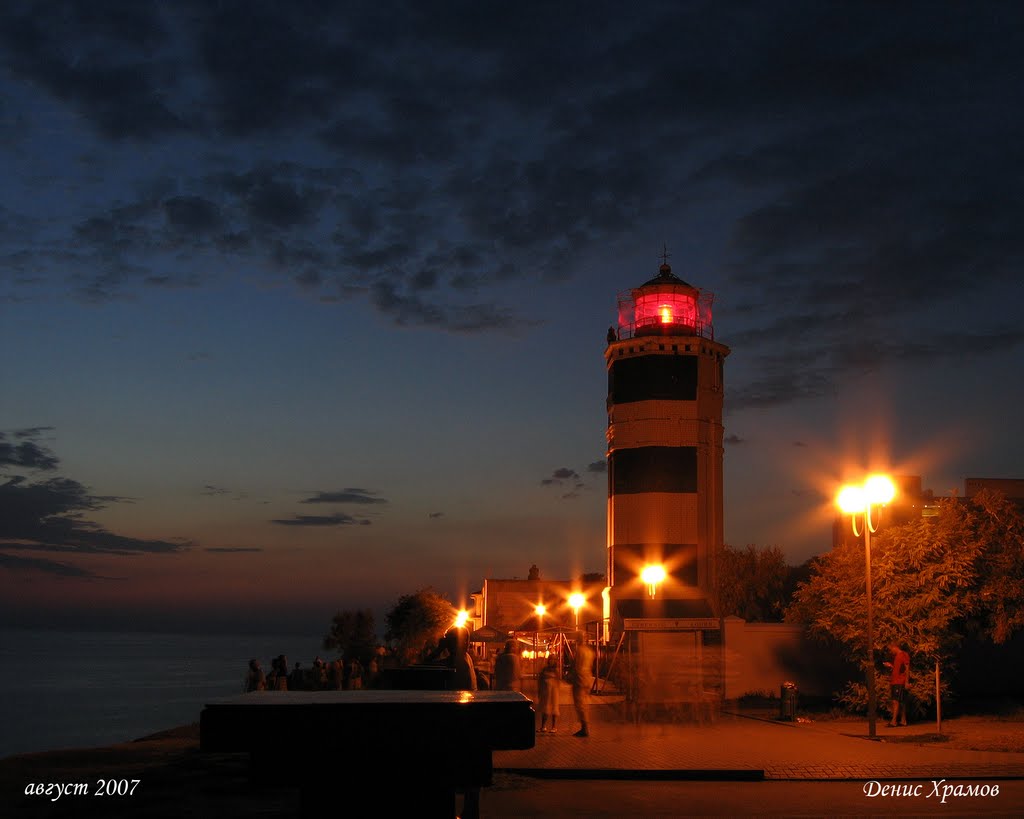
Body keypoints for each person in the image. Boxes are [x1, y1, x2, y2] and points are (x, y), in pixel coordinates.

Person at [571, 634, 594, 737]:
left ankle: (584, 728)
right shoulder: (590, 651)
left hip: (579, 680)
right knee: (585, 704)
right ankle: (585, 727)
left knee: (580, 704)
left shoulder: (579, 650)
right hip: (587, 679)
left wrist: (571, 677)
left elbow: (576, 666)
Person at [884, 642, 911, 727]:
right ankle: (903, 721)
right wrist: (891, 666)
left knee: (895, 701)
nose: (890, 651)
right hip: (896, 681)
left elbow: (907, 669)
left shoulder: (903, 655)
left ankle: (894, 721)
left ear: (894, 647)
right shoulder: (897, 657)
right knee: (901, 701)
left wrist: (906, 682)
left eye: (890, 649)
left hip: (900, 682)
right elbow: (899, 669)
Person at [537, 655, 560, 733]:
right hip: (545, 691)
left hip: (553, 691)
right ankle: (543, 726)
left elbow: (558, 681)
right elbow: (540, 680)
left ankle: (554, 726)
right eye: (550, 659)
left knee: (554, 708)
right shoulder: (544, 669)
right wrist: (539, 690)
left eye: (553, 659)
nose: (551, 661)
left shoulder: (556, 670)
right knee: (545, 708)